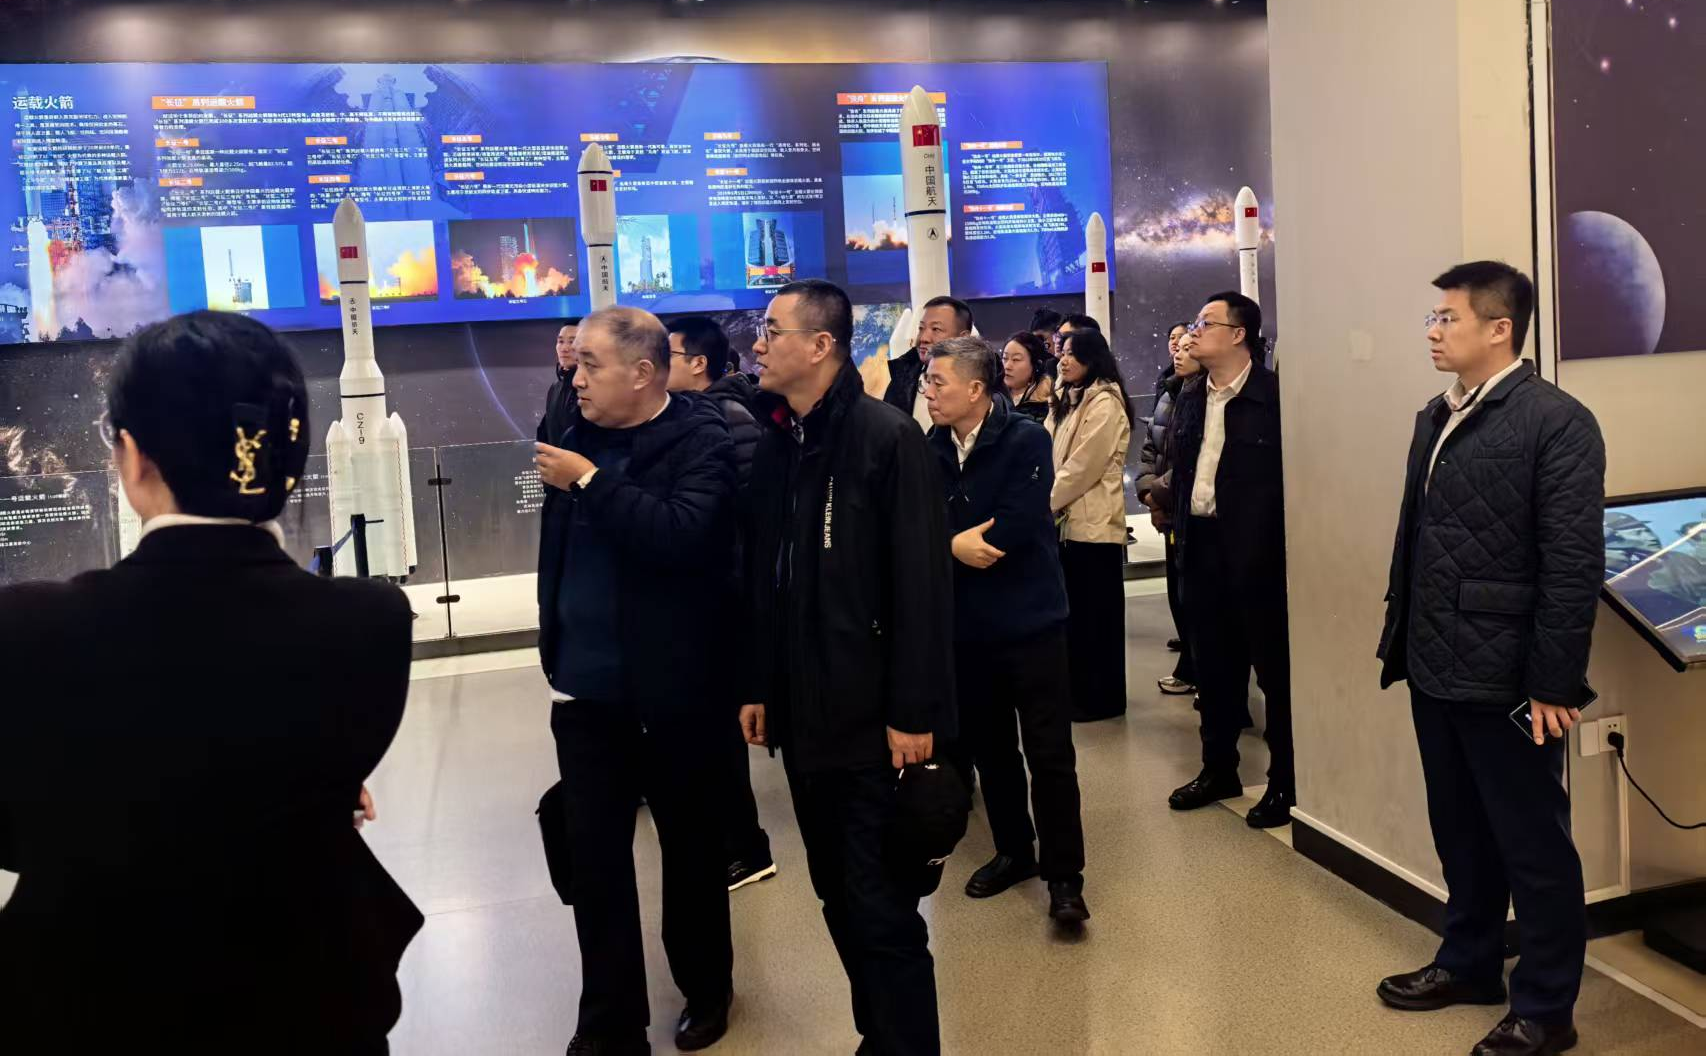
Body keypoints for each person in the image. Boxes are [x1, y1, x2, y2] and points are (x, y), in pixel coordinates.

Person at [0, 311, 421, 1051]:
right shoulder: (373, 622)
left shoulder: (27, 629)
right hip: (311, 1000)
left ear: (131, 457)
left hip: (92, 1004)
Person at [1375, 262, 1604, 1056]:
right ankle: (1469, 962)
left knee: (1533, 846)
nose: (1433, 331)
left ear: (1500, 328)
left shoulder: (1557, 422)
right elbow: (1417, 540)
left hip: (1509, 676)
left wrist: (1553, 682)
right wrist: (1401, 638)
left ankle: (1546, 1008)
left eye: (1448, 318)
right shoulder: (1436, 414)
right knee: (1461, 830)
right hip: (1434, 663)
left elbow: (1572, 566)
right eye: (1433, 318)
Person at [742, 279, 955, 1055]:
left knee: (882, 907)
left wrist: (912, 711)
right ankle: (881, 1036)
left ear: (821, 344)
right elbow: (770, 579)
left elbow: (921, 587)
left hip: (873, 724)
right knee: (836, 893)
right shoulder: (781, 442)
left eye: (773, 330)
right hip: (808, 720)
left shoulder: (884, 439)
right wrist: (759, 685)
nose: (758, 344)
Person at [533, 306, 737, 1055]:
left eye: (591, 364)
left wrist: (589, 483)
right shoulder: (574, 432)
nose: (576, 377)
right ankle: (610, 1021)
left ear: (644, 372)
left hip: (674, 692)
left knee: (690, 850)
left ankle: (706, 987)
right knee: (595, 862)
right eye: (575, 364)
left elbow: (681, 536)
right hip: (584, 693)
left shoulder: (702, 439)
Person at [923, 336, 1089, 926]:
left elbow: (1018, 519)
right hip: (968, 629)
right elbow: (922, 524)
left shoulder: (1025, 437)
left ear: (975, 389)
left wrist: (965, 541)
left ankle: (1065, 876)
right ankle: (1015, 851)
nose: (927, 391)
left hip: (1031, 622)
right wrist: (951, 545)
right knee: (992, 752)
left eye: (937, 381)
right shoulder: (931, 446)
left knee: (1049, 753)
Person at [1164, 291, 1294, 829]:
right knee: (1214, 670)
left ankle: (1286, 782)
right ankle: (1219, 769)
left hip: (1258, 555)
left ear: (1239, 334)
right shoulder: (1192, 395)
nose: (1193, 332)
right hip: (1201, 546)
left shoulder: (1273, 396)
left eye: (1206, 323)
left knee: (1275, 675)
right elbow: (1182, 467)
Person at [664, 314, 775, 891]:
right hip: (707, 598)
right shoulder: (691, 416)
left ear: (698, 363)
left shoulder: (728, 417)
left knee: (726, 726)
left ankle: (748, 847)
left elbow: (747, 520)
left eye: (670, 356)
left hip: (729, 597)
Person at [1047, 328, 1134, 722]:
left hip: (1094, 526)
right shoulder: (1070, 398)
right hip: (1069, 524)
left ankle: (1102, 699)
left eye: (1072, 353)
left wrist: (1043, 502)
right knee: (1078, 618)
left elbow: (1083, 467)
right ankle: (1078, 693)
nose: (1063, 360)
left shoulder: (1105, 402)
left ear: (1092, 357)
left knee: (1097, 618)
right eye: (1062, 352)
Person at [1136, 324, 1200, 697]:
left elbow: (1191, 460)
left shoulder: (1202, 397)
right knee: (1177, 590)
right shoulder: (1169, 393)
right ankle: (1190, 665)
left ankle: (1198, 669)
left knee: (1195, 596)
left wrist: (1160, 495)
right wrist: (1149, 493)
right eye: (1177, 346)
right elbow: (1150, 450)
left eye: (1189, 347)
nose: (1179, 353)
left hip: (1187, 509)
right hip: (1167, 508)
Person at [883, 294, 974, 431]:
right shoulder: (901, 379)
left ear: (963, 338)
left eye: (936, 329)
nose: (923, 338)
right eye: (921, 328)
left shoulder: (986, 385)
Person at [539, 316, 584, 446]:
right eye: (560, 341)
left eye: (572, 341)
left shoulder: (593, 388)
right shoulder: (555, 388)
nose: (564, 348)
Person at [1002, 330, 1055, 423]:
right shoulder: (993, 398)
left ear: (1036, 365)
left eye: (1016, 359)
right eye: (1005, 358)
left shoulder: (1048, 403)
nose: (1007, 366)